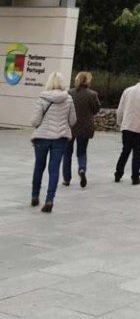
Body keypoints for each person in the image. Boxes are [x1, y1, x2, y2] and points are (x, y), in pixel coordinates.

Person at [30, 71, 77, 213]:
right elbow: (72, 121)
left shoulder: (42, 98)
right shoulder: (68, 99)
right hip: (60, 138)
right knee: (54, 169)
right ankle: (49, 200)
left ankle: (35, 195)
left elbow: (35, 121)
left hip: (42, 138)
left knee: (39, 166)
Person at [62, 71, 101, 188]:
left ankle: (66, 179)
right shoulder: (93, 94)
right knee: (82, 152)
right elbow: (96, 109)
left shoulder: (69, 93)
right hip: (85, 127)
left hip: (70, 126)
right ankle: (82, 169)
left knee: (67, 153)